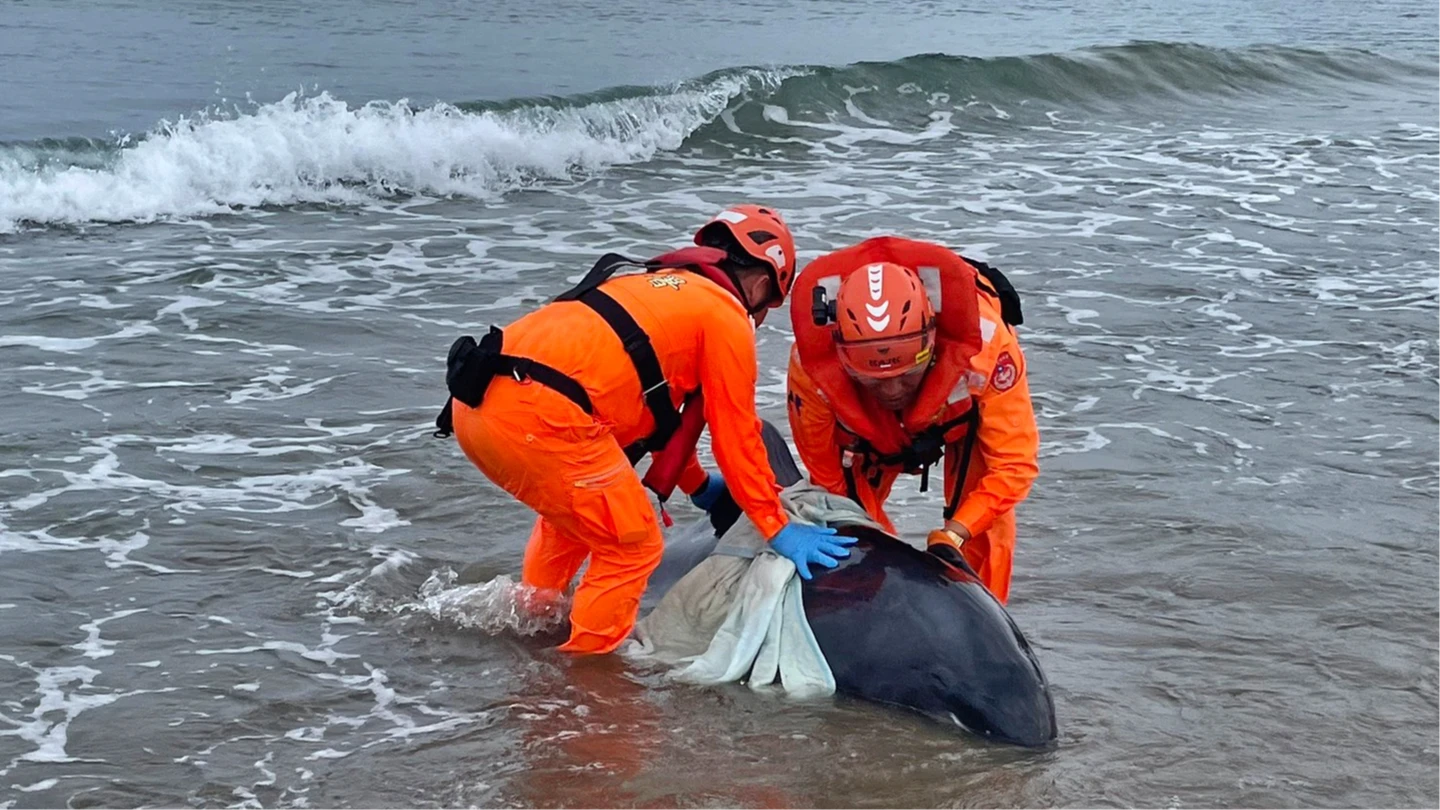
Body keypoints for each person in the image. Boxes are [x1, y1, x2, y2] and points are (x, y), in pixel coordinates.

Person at [434, 205, 854, 654]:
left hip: (475, 408)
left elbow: (657, 411)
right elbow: (737, 437)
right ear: (762, 280)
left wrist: (698, 485)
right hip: (544, 415)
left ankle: (536, 615)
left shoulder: (651, 288)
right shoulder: (724, 315)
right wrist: (778, 528)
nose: (762, 313)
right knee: (632, 544)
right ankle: (581, 677)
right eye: (769, 300)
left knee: (578, 520)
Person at [785, 236, 1039, 604]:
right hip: (869, 432)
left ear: (932, 340)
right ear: (840, 356)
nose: (892, 392)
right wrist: (877, 541)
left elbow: (1014, 464)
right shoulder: (812, 369)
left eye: (907, 375)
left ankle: (985, 613)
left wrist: (955, 533)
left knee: (987, 527)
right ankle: (868, 605)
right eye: (875, 380)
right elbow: (828, 475)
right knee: (849, 530)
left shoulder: (987, 348)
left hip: (958, 416)